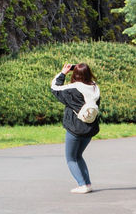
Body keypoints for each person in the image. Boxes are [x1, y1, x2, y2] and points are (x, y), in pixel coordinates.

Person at [50, 61, 101, 194]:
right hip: (90, 128)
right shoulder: (95, 88)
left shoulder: (74, 88)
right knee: (78, 155)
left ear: (76, 74)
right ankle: (87, 184)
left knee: (71, 158)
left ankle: (82, 185)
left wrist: (63, 73)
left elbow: (54, 88)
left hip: (75, 128)